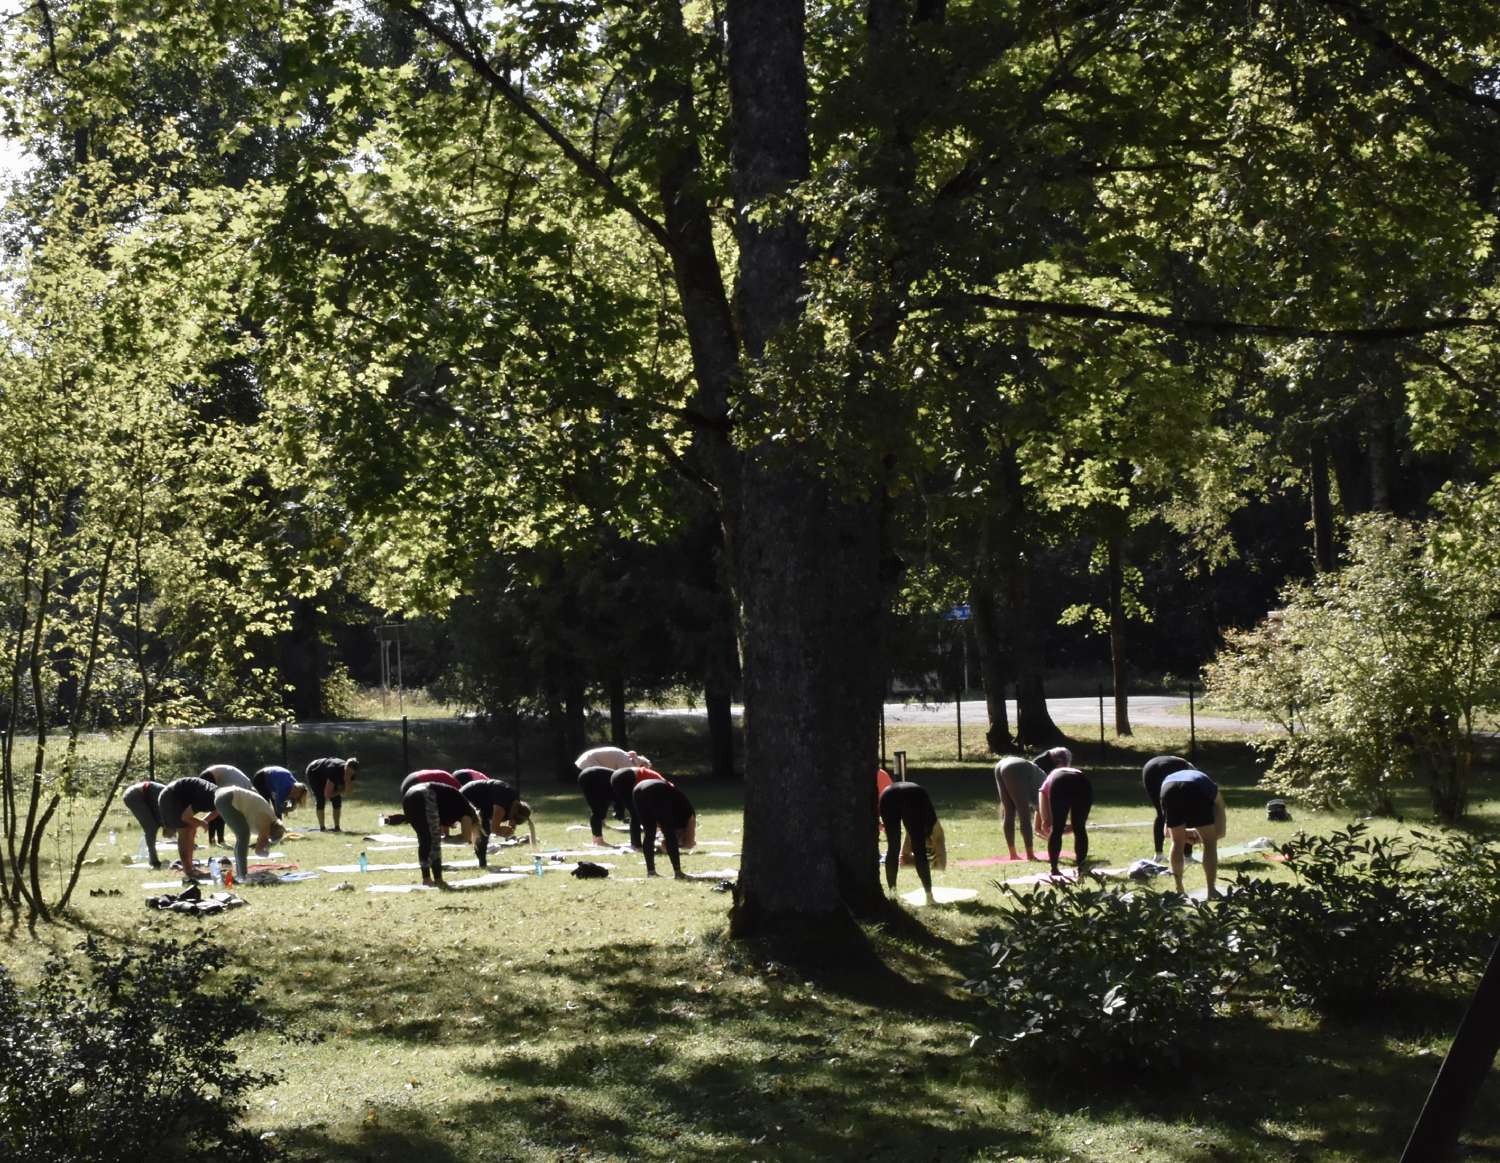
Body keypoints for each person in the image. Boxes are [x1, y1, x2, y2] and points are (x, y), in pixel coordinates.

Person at [1159, 768, 1228, 897]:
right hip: (1194, 788)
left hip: (1168, 789)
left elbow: (1167, 833)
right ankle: (1211, 890)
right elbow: (1220, 832)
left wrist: (1188, 835)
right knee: (1210, 843)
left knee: (1176, 842)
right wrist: (1201, 837)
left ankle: (1179, 889)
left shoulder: (1168, 783)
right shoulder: (1215, 795)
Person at [401, 779, 479, 887]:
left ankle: (426, 878)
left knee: (424, 839)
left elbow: (443, 825)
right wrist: (448, 839)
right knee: (432, 841)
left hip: (410, 795)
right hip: (426, 794)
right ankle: (438, 879)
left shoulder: (455, 805)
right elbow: (465, 838)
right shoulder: (469, 813)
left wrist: (445, 837)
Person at [879, 779, 945, 905]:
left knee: (893, 847)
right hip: (912, 797)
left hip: (887, 796)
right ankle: (929, 896)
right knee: (919, 848)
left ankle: (893, 894)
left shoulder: (924, 804)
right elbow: (927, 835)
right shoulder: (931, 819)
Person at [213, 784, 286, 881]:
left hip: (225, 795)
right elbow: (259, 851)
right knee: (243, 835)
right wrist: (266, 852)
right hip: (228, 798)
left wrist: (264, 843)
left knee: (242, 836)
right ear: (271, 831)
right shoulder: (267, 821)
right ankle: (242, 875)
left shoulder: (268, 817)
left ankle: (240, 874)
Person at [157, 775, 221, 879]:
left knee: (191, 829)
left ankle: (191, 868)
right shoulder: (209, 799)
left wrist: (203, 821)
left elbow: (217, 811)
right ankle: (188, 871)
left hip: (180, 797)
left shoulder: (220, 798)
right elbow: (185, 817)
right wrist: (201, 823)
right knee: (186, 830)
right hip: (171, 797)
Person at [461, 777, 536, 864]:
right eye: (511, 818)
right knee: (484, 831)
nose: (508, 820)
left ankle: (482, 861)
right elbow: (494, 828)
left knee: (484, 830)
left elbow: (510, 822)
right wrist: (502, 831)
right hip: (468, 796)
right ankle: (482, 861)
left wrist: (510, 829)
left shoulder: (515, 802)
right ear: (514, 812)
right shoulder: (502, 806)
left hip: (482, 803)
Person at [632, 778, 696, 878]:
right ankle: (678, 872)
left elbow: (660, 829)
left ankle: (651, 872)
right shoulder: (689, 815)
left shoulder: (678, 811)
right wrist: (687, 843)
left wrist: (668, 843)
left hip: (638, 789)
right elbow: (689, 842)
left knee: (649, 833)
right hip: (657, 789)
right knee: (669, 833)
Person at [1037, 764, 1092, 877]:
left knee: (1056, 828)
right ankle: (1081, 867)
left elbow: (1042, 795)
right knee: (1080, 828)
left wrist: (1045, 821)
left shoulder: (1049, 780)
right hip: (1083, 782)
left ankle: (1054, 869)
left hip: (1060, 782)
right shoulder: (1071, 772)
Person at [993, 755, 1047, 861]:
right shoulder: (1047, 793)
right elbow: (1044, 817)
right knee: (1024, 814)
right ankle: (1030, 855)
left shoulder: (1043, 780)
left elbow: (1040, 820)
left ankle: (1013, 854)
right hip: (1018, 768)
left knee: (1009, 812)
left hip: (1000, 765)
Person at [1142, 754, 1194, 861]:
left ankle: (1159, 854)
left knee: (1161, 813)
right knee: (1189, 813)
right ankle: (1187, 855)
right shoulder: (1196, 779)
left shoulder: (1189, 769)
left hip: (1149, 767)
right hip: (1166, 768)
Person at [610, 763, 670, 849]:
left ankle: (636, 843)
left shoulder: (663, 785)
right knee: (636, 814)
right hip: (626, 778)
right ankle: (637, 844)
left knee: (635, 813)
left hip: (618, 776)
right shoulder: (666, 788)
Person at [201, 765, 253, 845]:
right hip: (214, 777)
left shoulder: (237, 784)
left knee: (220, 809)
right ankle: (216, 841)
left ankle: (217, 841)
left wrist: (202, 821)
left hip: (235, 786)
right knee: (219, 808)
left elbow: (218, 809)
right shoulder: (240, 785)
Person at [304, 756, 358, 832]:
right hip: (314, 771)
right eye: (346, 770)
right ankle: (322, 828)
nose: (347, 773)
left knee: (337, 800)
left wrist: (347, 780)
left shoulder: (352, 774)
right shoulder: (335, 770)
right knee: (321, 799)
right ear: (345, 766)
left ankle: (337, 827)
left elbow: (348, 792)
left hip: (326, 773)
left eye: (349, 772)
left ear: (354, 772)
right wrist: (341, 790)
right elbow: (328, 794)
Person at [121, 781, 167, 869]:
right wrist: (165, 826)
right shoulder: (166, 797)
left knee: (154, 825)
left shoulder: (170, 798)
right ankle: (153, 861)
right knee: (151, 827)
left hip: (143, 796)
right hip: (133, 795)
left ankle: (153, 859)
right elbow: (160, 814)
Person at [579, 765, 628, 846]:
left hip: (589, 776)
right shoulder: (624, 787)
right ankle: (598, 841)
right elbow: (619, 799)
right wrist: (620, 813)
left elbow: (618, 799)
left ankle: (596, 839)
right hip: (593, 777)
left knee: (599, 810)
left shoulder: (622, 783)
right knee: (598, 812)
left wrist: (619, 812)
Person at [575, 745, 648, 772]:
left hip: (587, 757)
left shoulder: (626, 757)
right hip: (589, 760)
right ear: (641, 765)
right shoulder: (627, 762)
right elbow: (622, 776)